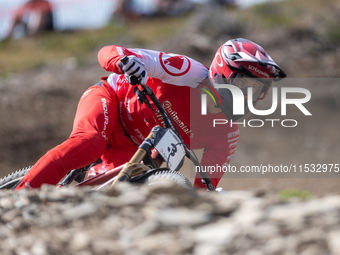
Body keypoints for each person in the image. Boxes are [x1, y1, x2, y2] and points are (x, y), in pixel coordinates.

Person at [15, 38, 286, 190]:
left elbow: (203, 188)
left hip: (132, 147)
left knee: (122, 191)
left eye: (257, 90)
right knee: (89, 142)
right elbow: (107, 51)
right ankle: (14, 199)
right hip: (111, 101)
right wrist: (123, 62)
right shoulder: (188, 71)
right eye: (243, 84)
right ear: (221, 72)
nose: (248, 96)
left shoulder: (227, 134)